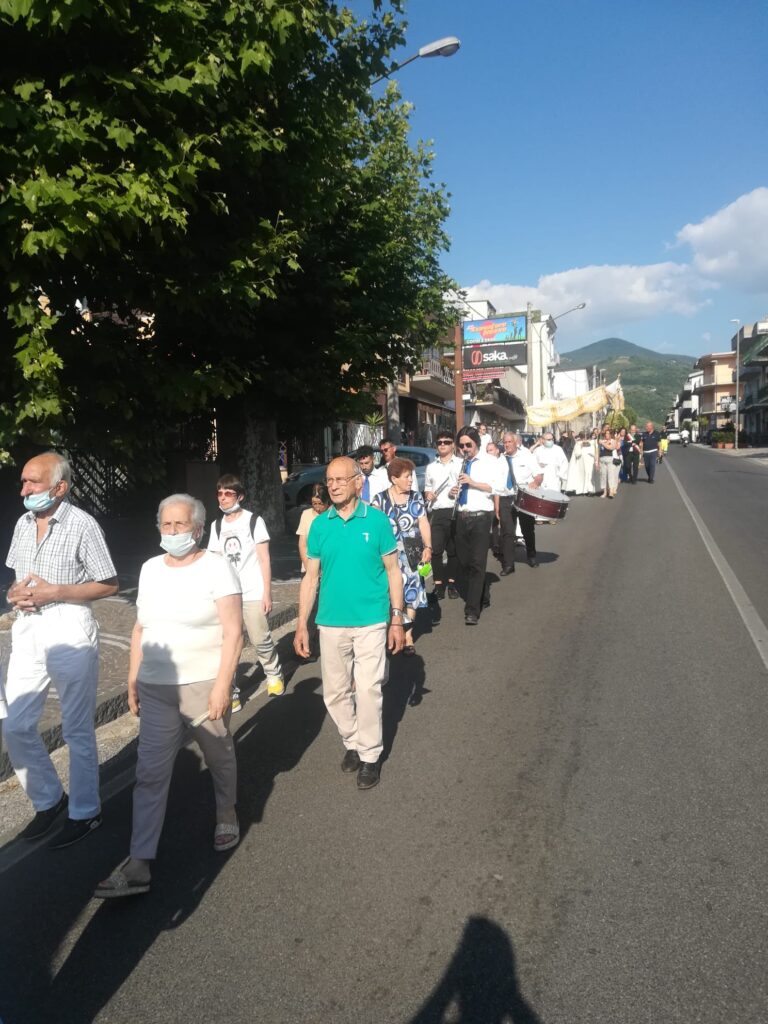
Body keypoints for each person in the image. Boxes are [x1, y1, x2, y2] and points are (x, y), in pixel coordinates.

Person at [94, 494, 243, 898]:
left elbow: (233, 631)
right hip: (156, 686)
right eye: (166, 525)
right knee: (149, 773)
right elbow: (142, 628)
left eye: (180, 525)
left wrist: (222, 684)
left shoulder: (217, 567)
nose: (173, 532)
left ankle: (226, 810)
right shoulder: (150, 569)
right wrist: (132, 677)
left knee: (217, 753)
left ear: (197, 529)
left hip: (202, 680)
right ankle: (140, 861)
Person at [4, 451, 118, 847]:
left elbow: (108, 583)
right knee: (15, 723)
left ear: (60, 487)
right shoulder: (22, 523)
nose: (25, 490)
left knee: (76, 727)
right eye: (23, 482)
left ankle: (85, 812)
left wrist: (57, 591)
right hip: (29, 627)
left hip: (69, 624)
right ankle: (49, 800)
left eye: (32, 482)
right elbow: (18, 579)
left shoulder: (83, 525)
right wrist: (14, 594)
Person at [294, 457, 404, 790]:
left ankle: (369, 755)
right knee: (335, 693)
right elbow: (310, 577)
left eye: (341, 479)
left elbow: (393, 571)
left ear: (358, 482)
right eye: (330, 480)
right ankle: (353, 740)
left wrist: (396, 618)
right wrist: (302, 624)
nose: (334, 485)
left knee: (368, 689)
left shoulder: (378, 521)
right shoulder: (319, 525)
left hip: (371, 619)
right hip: (330, 622)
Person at [208, 474, 284, 708]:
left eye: (228, 494)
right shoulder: (216, 525)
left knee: (260, 637)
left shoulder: (254, 521)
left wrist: (267, 593)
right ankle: (231, 690)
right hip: (227, 595)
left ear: (239, 496)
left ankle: (273, 674)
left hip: (252, 591)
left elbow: (264, 559)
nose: (223, 498)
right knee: (228, 644)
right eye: (220, 493)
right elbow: (214, 560)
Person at [371, 457, 431, 656]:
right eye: (406, 477)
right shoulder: (379, 500)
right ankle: (393, 628)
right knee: (392, 593)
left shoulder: (415, 497)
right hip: (389, 554)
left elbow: (423, 522)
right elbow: (373, 529)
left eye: (411, 476)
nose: (411, 480)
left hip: (413, 552)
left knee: (413, 592)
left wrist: (428, 547)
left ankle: (408, 634)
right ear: (394, 479)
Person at [448, 427, 498, 624]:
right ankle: (482, 594)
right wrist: (453, 492)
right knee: (465, 562)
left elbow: (495, 487)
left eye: (468, 445)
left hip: (481, 516)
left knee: (478, 562)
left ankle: (472, 610)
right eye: (461, 446)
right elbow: (456, 491)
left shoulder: (489, 462)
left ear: (477, 443)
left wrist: (472, 482)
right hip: (462, 515)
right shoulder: (459, 465)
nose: (465, 449)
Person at [494, 432, 544, 574]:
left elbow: (539, 475)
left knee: (527, 528)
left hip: (524, 496)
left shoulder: (527, 456)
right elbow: (497, 484)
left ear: (516, 443)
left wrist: (535, 483)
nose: (507, 444)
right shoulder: (500, 460)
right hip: (506, 497)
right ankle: (509, 564)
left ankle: (531, 555)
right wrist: (496, 504)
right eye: (505, 442)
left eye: (510, 442)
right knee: (507, 532)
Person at [424, 431, 462, 601]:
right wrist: (428, 494)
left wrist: (458, 491)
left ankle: (452, 584)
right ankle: (439, 585)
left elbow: (467, 488)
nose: (442, 445)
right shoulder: (431, 467)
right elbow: (426, 488)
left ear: (453, 444)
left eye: (446, 442)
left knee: (454, 551)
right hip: (438, 512)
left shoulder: (461, 464)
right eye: (439, 442)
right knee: (436, 551)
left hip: (456, 511)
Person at [296, 484, 331, 571]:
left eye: (321, 504)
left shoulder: (334, 515)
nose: (317, 508)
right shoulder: (306, 514)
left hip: (329, 568)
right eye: (314, 504)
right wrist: (309, 570)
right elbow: (302, 544)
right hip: (309, 566)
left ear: (328, 501)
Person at [598, 427, 620, 498]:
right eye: (606, 433)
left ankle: (611, 491)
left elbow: (611, 447)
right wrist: (597, 461)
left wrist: (603, 443)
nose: (607, 435)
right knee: (603, 476)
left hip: (610, 459)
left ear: (611, 434)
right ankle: (604, 491)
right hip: (602, 459)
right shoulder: (601, 440)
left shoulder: (613, 440)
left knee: (611, 475)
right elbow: (598, 451)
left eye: (608, 433)